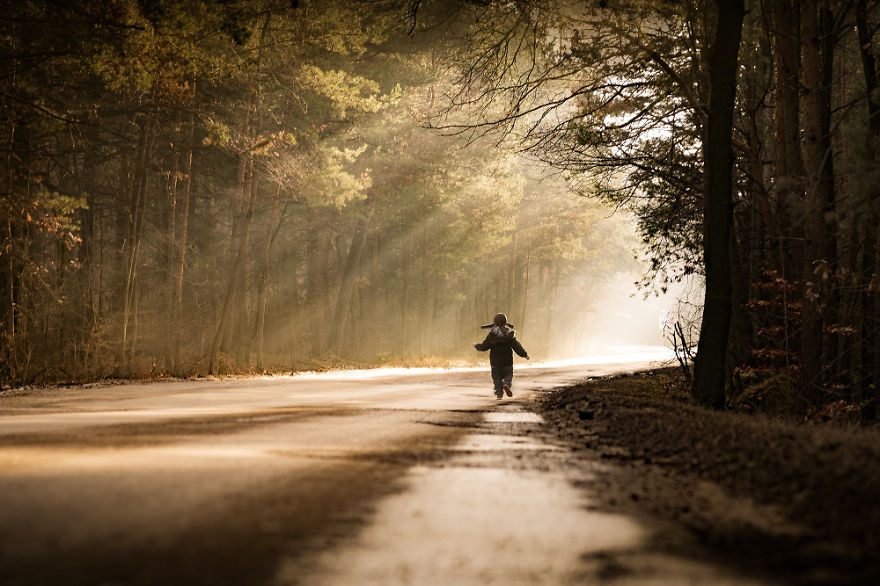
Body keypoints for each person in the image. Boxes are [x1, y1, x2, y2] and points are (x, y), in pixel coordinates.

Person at [473, 313, 530, 399]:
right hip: (507, 362)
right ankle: (506, 384)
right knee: (508, 375)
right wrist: (525, 355)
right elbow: (517, 346)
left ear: (495, 323)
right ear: (505, 322)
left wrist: (476, 346)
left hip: (495, 363)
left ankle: (499, 394)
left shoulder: (492, 335)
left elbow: (484, 347)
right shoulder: (510, 335)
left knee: (497, 378)